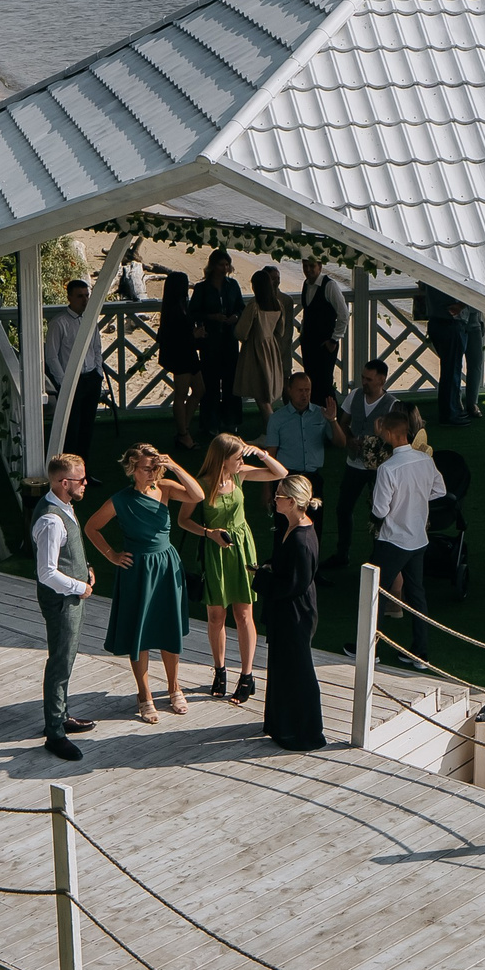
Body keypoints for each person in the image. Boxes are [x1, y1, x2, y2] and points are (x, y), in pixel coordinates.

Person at [87, 443, 203, 722]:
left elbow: (197, 495)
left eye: (156, 467)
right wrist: (112, 555)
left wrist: (173, 466)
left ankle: (174, 687)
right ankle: (144, 695)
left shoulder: (165, 488)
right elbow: (91, 526)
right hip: (138, 569)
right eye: (146, 468)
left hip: (166, 565)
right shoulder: (120, 500)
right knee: (139, 631)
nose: (153, 473)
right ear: (131, 469)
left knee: (168, 627)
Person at [181, 432, 287, 704]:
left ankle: (247, 675)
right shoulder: (201, 485)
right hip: (215, 550)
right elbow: (183, 520)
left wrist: (260, 453)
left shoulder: (240, 474)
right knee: (216, 615)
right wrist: (208, 533)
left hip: (242, 548)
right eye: (237, 457)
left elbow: (280, 472)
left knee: (244, 614)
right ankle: (219, 670)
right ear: (222, 459)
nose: (241, 460)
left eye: (241, 456)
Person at [32, 453, 98, 762]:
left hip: (70, 598)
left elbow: (66, 554)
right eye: (81, 480)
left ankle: (62, 714)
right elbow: (47, 573)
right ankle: (54, 733)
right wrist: (80, 586)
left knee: (66, 659)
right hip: (62, 602)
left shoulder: (65, 507)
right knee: (60, 662)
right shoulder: (50, 519)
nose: (86, 484)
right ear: (63, 483)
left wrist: (85, 568)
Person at [253, 473, 326, 751]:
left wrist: (261, 578)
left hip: (295, 613)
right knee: (283, 668)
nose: (275, 498)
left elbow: (293, 584)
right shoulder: (291, 527)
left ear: (293, 502)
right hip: (287, 610)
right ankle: (281, 723)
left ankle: (306, 731)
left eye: (280, 496)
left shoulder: (301, 539)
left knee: (299, 671)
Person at [367, 409, 446, 662]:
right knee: (417, 593)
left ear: (390, 433)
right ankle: (420, 651)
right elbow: (439, 490)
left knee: (376, 592)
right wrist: (417, 498)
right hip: (419, 538)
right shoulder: (425, 460)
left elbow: (380, 509)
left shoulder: (388, 468)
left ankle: (371, 651)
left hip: (393, 540)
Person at [324, 360, 397, 572]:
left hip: (379, 469)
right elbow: (344, 423)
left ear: (382, 380)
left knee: (378, 512)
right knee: (343, 508)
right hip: (354, 463)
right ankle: (342, 553)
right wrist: (349, 439)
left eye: (369, 379)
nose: (363, 382)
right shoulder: (354, 395)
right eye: (363, 378)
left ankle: (378, 557)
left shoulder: (392, 404)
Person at [258, 371, 343, 549]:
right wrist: (266, 489)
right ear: (289, 390)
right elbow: (270, 455)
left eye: (307, 390)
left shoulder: (321, 414)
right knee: (283, 526)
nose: (304, 395)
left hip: (312, 479)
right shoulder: (277, 418)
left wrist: (333, 420)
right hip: (287, 479)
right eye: (300, 390)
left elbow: (340, 443)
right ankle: (282, 568)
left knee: (314, 526)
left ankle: (312, 571)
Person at [43, 277, 104, 462]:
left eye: (87, 296)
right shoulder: (59, 323)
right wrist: (64, 382)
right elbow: (51, 356)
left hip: (91, 378)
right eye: (80, 296)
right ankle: (69, 470)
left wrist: (98, 372)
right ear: (69, 297)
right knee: (71, 429)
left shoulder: (90, 320)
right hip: (72, 381)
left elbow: (97, 347)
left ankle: (85, 470)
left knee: (87, 428)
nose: (85, 300)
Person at [193, 249, 244, 438]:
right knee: (210, 383)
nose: (224, 268)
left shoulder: (233, 285)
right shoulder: (202, 288)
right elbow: (194, 312)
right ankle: (209, 424)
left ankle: (231, 421)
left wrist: (236, 316)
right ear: (213, 266)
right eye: (221, 264)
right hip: (210, 341)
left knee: (231, 382)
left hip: (230, 340)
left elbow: (241, 306)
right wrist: (211, 317)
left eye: (226, 265)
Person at [235, 266, 292, 433]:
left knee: (261, 394)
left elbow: (241, 332)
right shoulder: (278, 304)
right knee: (265, 389)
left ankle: (271, 432)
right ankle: (270, 430)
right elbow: (280, 331)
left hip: (255, 349)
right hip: (271, 348)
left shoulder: (254, 306)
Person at [157, 270, 200, 450]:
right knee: (181, 394)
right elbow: (178, 337)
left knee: (199, 389)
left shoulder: (180, 305)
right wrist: (195, 335)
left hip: (188, 353)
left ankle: (185, 427)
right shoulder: (175, 309)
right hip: (181, 354)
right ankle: (183, 434)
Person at [417, 283, 472, 426]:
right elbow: (470, 293)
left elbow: (422, 286)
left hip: (435, 321)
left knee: (449, 369)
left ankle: (450, 410)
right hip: (450, 322)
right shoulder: (451, 273)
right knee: (451, 371)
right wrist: (462, 304)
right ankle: (450, 413)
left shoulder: (431, 271)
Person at [298, 258, 348, 405]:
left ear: (320, 266)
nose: (308, 269)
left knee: (325, 384)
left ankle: (333, 419)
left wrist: (334, 339)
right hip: (308, 342)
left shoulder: (330, 286)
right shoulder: (306, 284)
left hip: (325, 344)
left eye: (312, 266)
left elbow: (344, 314)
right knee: (311, 382)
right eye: (305, 266)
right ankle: (315, 417)